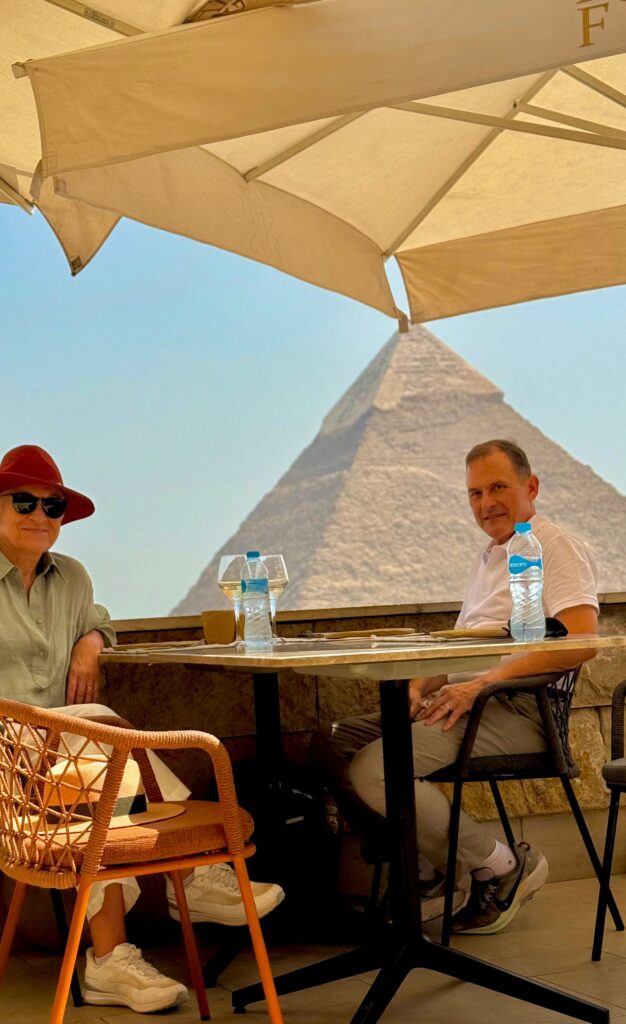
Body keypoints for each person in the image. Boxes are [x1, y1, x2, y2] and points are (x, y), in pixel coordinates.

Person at [0, 444, 284, 1013]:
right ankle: (195, 877)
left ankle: (112, 958)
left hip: (68, 758)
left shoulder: (71, 577)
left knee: (98, 768)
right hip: (8, 760)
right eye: (23, 502)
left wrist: (92, 640)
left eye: (53, 505)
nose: (40, 515)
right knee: (102, 743)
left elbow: (100, 619)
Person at [323, 439, 599, 935]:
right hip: (472, 700)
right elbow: (465, 648)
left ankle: (500, 866)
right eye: (475, 493)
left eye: (498, 488)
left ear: (532, 487)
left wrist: (483, 684)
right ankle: (421, 869)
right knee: (333, 743)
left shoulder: (554, 547)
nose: (485, 503)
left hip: (520, 709)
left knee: (376, 769)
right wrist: (417, 686)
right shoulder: (489, 556)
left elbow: (582, 642)